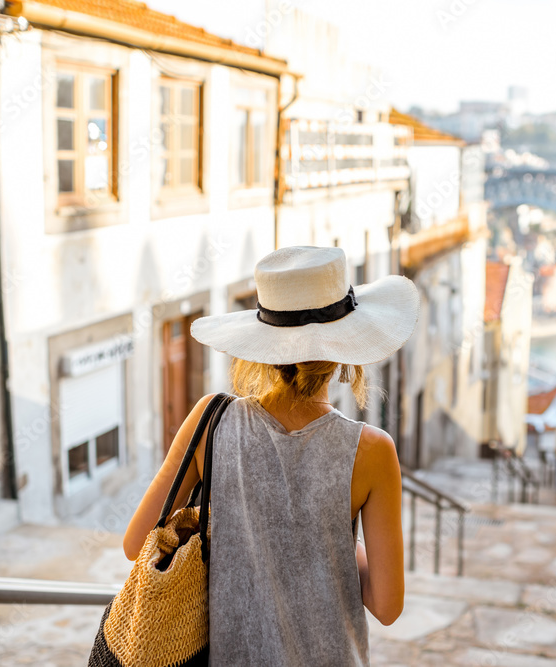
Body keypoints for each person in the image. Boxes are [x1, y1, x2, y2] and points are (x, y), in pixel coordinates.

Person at [122, 246, 420, 666]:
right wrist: (330, 532)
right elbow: (387, 606)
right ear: (343, 348)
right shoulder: (371, 450)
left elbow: (138, 545)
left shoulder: (209, 422)